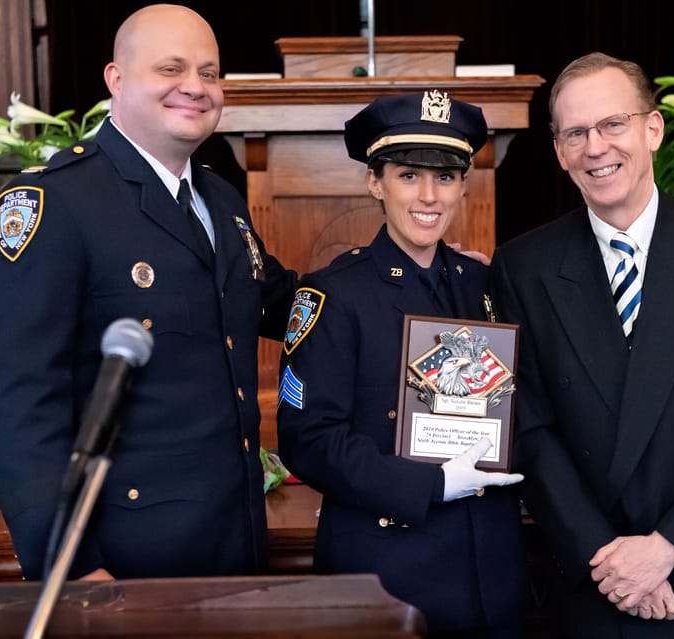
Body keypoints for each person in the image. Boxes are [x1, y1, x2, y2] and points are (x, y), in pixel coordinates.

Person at [0, 4, 296, 581]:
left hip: (237, 539)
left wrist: (414, 272)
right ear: (116, 80)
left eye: (209, 73)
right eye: (171, 69)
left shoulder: (220, 200)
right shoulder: (57, 205)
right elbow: (19, 405)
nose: (195, 88)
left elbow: (280, 302)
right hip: (129, 562)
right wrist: (67, 565)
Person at [489, 52, 674, 638]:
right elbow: (528, 428)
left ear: (651, 129)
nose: (596, 147)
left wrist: (666, 548)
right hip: (598, 585)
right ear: (559, 152)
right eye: (576, 133)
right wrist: (610, 558)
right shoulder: (523, 267)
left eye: (613, 124)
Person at [276, 91, 528, 638]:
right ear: (375, 182)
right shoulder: (331, 295)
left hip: (494, 574)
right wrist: (429, 485)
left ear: (464, 185)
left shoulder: (487, 284)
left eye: (446, 177)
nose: (429, 196)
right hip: (389, 576)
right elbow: (309, 439)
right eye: (409, 175)